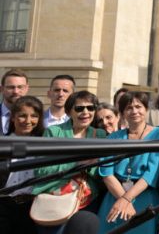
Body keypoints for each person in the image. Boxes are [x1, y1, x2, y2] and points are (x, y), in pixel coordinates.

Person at [32, 91, 107, 233]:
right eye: (79, 108)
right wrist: (76, 163)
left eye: (90, 108)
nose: (85, 112)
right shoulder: (54, 132)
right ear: (68, 112)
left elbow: (103, 172)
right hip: (54, 201)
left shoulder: (100, 135)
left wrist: (90, 167)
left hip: (87, 202)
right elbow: (40, 170)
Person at [98, 91, 159, 234]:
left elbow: (151, 174)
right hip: (114, 196)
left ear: (146, 109)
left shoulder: (158, 135)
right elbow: (106, 173)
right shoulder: (113, 137)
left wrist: (126, 200)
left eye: (138, 106)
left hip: (144, 197)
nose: (134, 111)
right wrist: (122, 199)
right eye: (129, 108)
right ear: (122, 113)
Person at [0, 96, 45, 233]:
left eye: (34, 116)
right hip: (3, 205)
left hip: (32, 207)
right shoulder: (3, 144)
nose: (28, 121)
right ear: (13, 118)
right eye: (22, 116)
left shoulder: (45, 144)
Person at [1, 68, 29, 135]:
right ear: (1, 89)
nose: (16, 92)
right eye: (11, 87)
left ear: (27, 88)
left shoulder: (37, 117)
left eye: (20, 87)